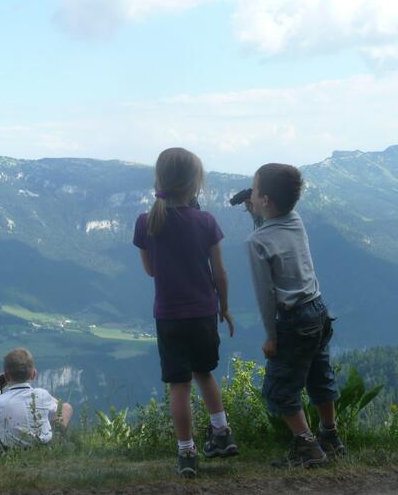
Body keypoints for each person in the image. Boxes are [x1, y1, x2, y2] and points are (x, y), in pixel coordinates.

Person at [133, 147, 238, 479]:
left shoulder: (146, 221)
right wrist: (224, 307)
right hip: (204, 312)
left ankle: (187, 453)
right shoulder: (206, 221)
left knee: (179, 386)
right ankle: (221, 433)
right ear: (195, 183)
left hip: (169, 315)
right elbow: (220, 273)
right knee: (204, 373)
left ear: (159, 179)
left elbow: (150, 270)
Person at [244, 163, 345, 468]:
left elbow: (265, 296)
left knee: (279, 389)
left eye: (255, 189)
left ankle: (307, 446)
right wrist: (255, 213)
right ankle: (330, 435)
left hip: (293, 320)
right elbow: (274, 233)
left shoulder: (255, 242)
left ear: (266, 201)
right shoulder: (296, 220)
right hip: (318, 311)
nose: (251, 192)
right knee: (319, 377)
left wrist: (271, 337)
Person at [0, 347, 73, 455]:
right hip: (44, 448)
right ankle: (59, 440)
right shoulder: (42, 394)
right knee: (66, 407)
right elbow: (64, 408)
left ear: (6, 377)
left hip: (10, 452)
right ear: (33, 374)